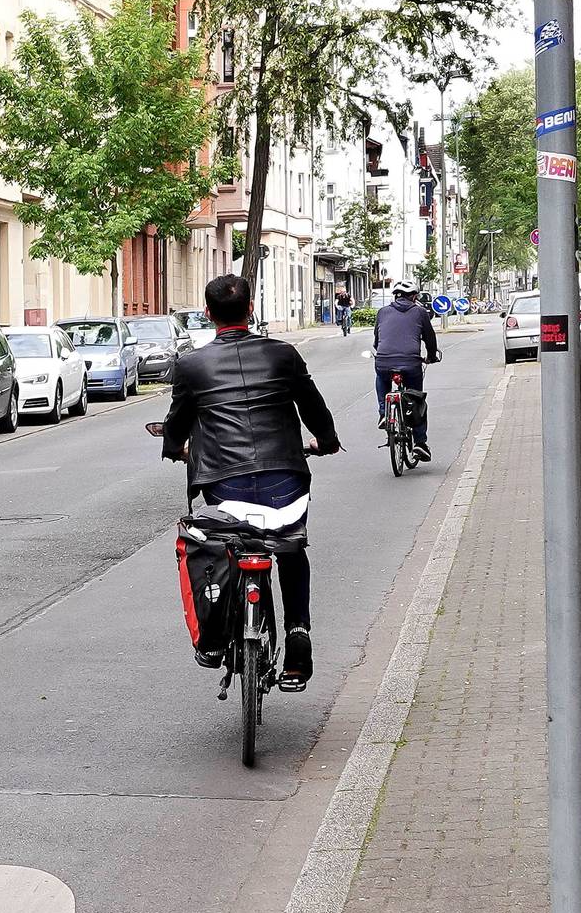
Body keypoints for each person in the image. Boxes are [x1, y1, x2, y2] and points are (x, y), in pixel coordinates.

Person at [161, 274, 340, 690]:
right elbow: (314, 408)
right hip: (287, 485)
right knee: (292, 549)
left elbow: (177, 422)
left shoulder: (191, 366)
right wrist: (327, 442)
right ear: (252, 308)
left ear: (208, 314)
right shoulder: (284, 356)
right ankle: (299, 637)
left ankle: (214, 637)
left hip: (226, 491)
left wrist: (173, 447)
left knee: (221, 550)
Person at [372, 281, 441, 461]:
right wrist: (431, 356)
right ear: (414, 296)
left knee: (381, 377)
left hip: (384, 361)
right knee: (416, 398)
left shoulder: (382, 312)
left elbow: (376, 340)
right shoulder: (420, 312)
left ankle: (384, 413)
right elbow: (429, 338)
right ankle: (420, 443)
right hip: (411, 363)